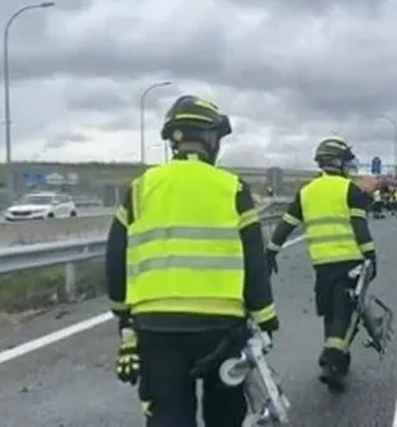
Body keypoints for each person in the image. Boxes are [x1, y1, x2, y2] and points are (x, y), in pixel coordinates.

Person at [105, 95, 280, 427]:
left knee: (169, 414)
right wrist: (266, 315)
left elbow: (115, 255)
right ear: (211, 139)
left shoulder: (141, 188)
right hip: (221, 328)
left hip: (157, 328)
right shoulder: (232, 187)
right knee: (225, 414)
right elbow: (253, 258)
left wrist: (123, 316)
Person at [264, 136, 376, 393]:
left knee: (329, 313)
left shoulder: (306, 192)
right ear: (337, 162)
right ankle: (333, 362)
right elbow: (360, 227)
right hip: (349, 261)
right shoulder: (350, 190)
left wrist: (271, 252)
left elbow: (286, 225)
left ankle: (335, 357)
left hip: (321, 265)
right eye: (346, 162)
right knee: (346, 314)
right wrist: (371, 255)